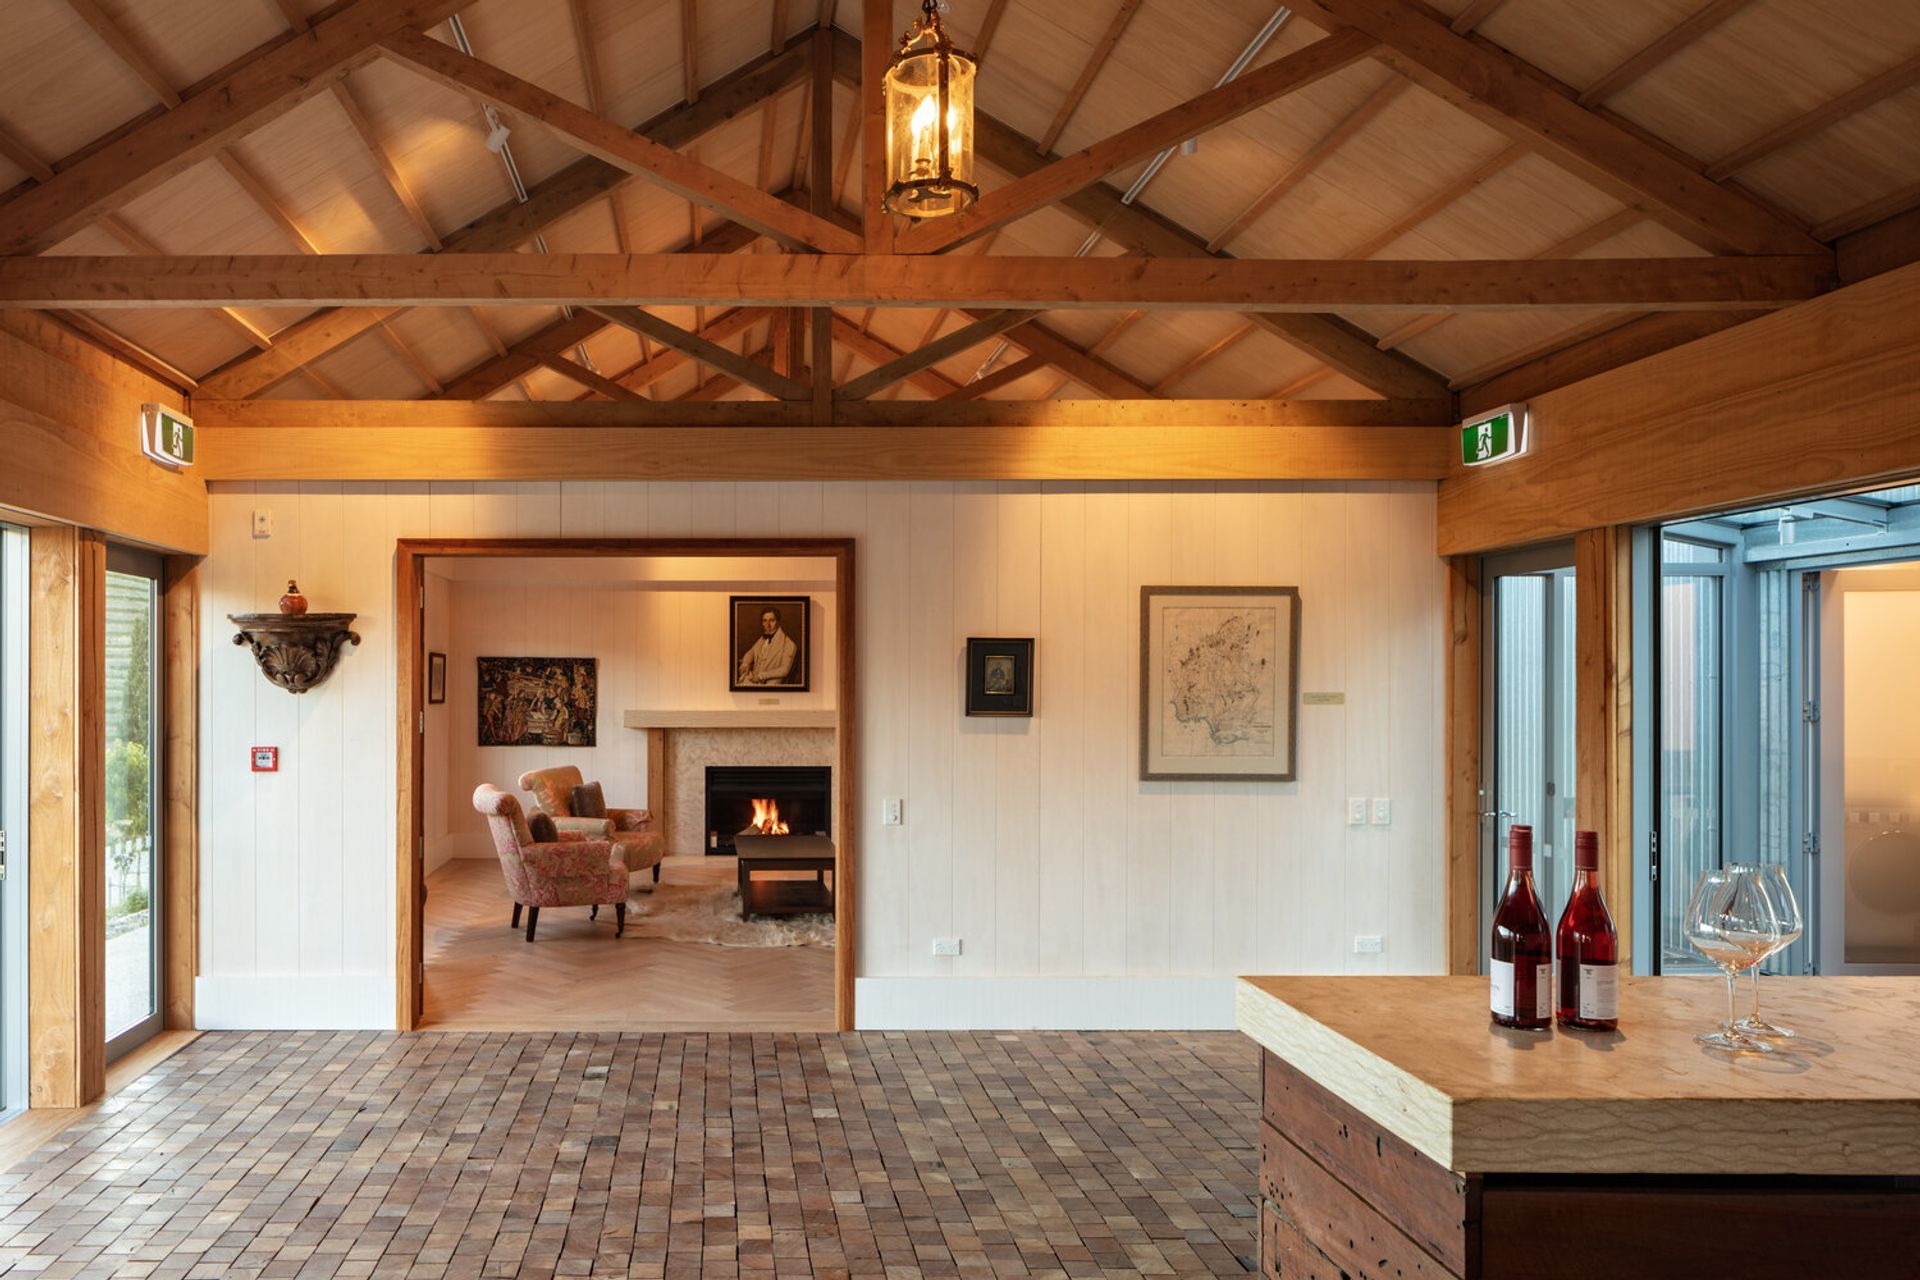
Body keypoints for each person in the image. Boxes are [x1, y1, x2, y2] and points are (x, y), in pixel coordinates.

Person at [737, 607, 798, 685]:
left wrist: (760, 676)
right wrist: (745, 664)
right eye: (765, 620)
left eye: (772, 620)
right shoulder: (762, 638)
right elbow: (750, 653)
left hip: (770, 682)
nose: (768, 625)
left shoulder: (789, 644)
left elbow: (784, 670)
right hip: (753, 679)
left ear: (778, 621)